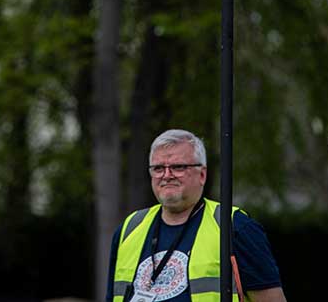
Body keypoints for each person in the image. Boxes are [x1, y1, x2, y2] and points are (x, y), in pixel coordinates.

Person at [105, 128, 287, 302]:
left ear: (202, 174)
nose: (167, 175)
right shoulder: (130, 229)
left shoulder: (233, 226)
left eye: (178, 167)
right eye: (158, 168)